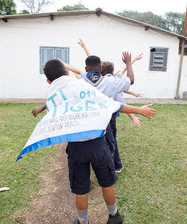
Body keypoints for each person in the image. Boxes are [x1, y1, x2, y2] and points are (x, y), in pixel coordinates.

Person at [42, 58, 156, 224]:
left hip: (75, 148)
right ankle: (114, 215)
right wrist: (139, 110)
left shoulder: (53, 97)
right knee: (106, 184)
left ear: (48, 80)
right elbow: (112, 105)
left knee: (81, 190)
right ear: (67, 73)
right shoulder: (84, 86)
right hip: (97, 144)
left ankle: (82, 221)